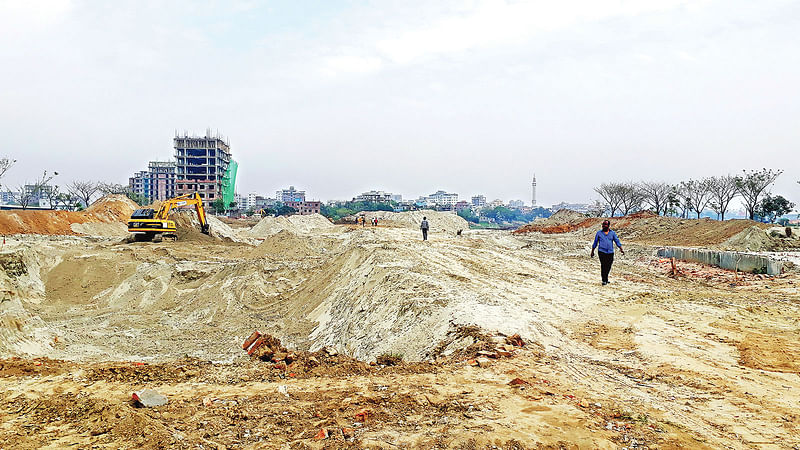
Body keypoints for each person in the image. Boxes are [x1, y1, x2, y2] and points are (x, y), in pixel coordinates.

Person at [591, 220, 624, 285]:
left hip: (610, 252)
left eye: (605, 224)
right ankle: (604, 280)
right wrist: (592, 251)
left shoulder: (612, 233)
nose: (603, 226)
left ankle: (606, 278)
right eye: (603, 224)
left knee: (608, 266)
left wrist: (621, 249)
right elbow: (595, 242)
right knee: (603, 266)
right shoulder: (599, 233)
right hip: (601, 252)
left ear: (608, 226)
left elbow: (617, 241)